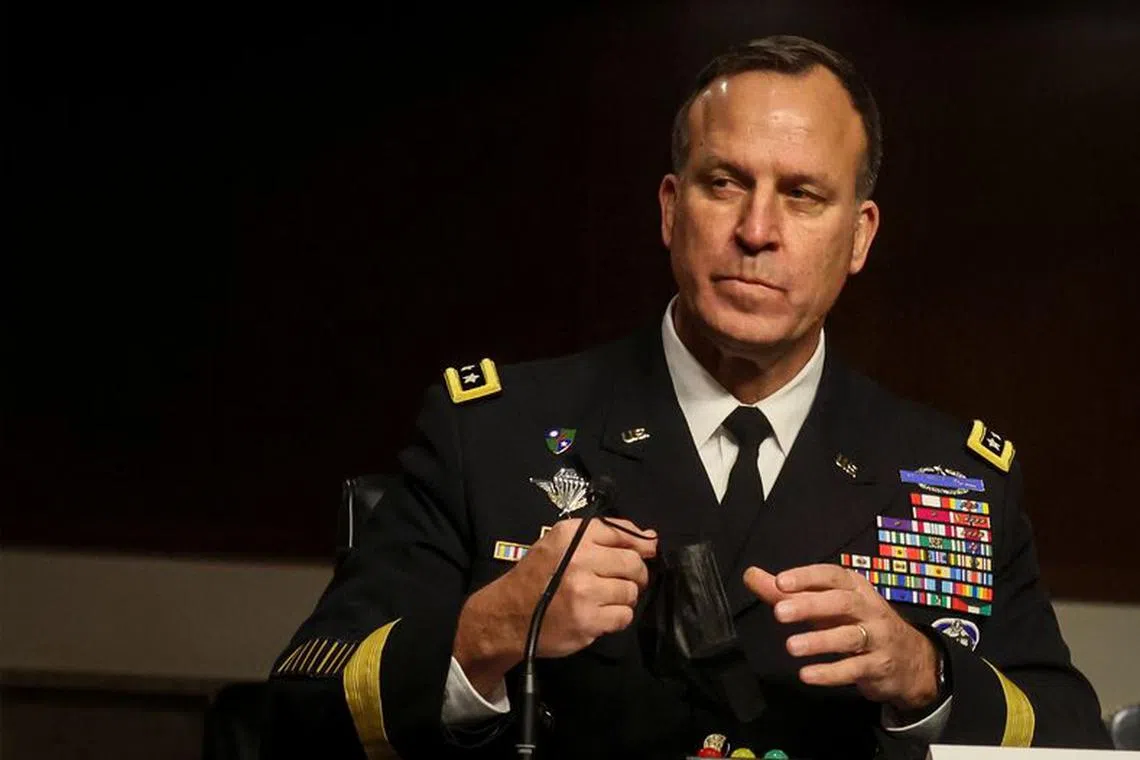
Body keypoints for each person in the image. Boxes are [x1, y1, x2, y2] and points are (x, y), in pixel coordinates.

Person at [260, 36, 1111, 759]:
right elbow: (300, 708)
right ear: (672, 209)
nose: (756, 230)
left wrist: (927, 678)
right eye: (724, 182)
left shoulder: (950, 476)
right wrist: (490, 630)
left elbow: (1075, 739)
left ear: (859, 236)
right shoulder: (492, 432)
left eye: (803, 195)